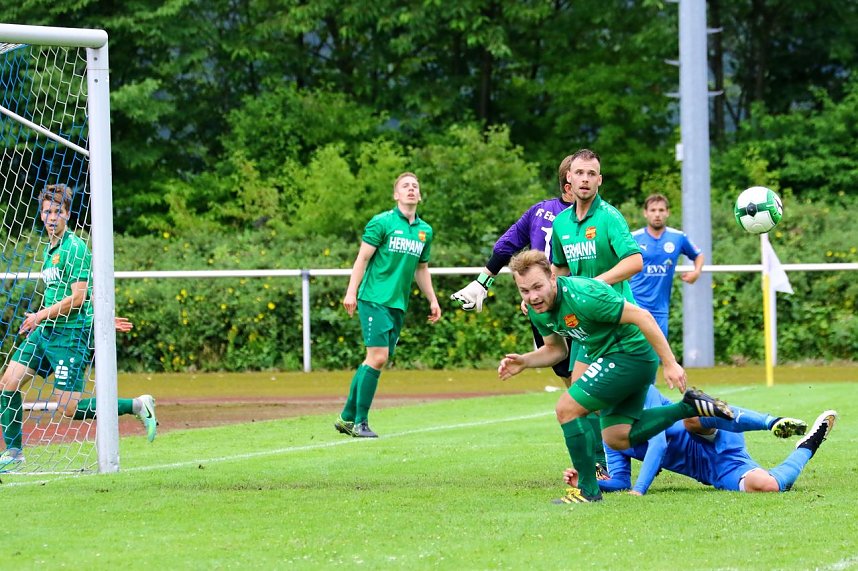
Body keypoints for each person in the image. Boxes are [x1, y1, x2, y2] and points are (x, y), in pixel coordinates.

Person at [498, 249, 734, 504]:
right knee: (617, 437)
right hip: (614, 357)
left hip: (630, 354)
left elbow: (642, 316)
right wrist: (525, 361)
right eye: (524, 290)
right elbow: (557, 350)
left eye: (537, 287)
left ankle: (588, 491)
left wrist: (670, 363)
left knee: (567, 408)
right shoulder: (537, 309)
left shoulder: (584, 296)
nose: (532, 296)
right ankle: (687, 407)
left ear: (552, 278)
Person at [0, 184, 157, 472]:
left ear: (68, 214)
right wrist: (99, 316)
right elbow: (84, 294)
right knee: (7, 383)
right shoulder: (50, 248)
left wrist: (39, 315)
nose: (51, 217)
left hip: (69, 336)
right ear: (41, 214)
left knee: (69, 409)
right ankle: (14, 453)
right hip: (45, 332)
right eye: (47, 211)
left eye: (57, 212)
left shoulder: (75, 248)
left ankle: (138, 405)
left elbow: (78, 298)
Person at [563, 385, 836, 495]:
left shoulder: (642, 392)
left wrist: (641, 490)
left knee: (692, 416)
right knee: (767, 486)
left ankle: (771, 421)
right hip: (711, 469)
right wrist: (588, 481)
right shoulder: (610, 438)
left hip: (713, 433)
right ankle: (808, 445)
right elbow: (620, 481)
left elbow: (658, 443)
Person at [451, 155, 577, 387]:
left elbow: (503, 247)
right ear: (569, 183)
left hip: (544, 301)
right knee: (576, 371)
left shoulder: (540, 210)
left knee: (571, 373)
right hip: (571, 299)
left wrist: (482, 281)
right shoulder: (588, 216)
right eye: (582, 174)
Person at [335, 172, 441, 438]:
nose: (411, 189)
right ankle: (360, 423)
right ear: (396, 194)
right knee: (378, 357)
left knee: (373, 359)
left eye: (415, 186)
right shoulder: (381, 222)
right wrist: (351, 292)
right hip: (374, 298)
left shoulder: (424, 231)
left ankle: (346, 418)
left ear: (420, 195)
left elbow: (421, 269)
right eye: (405, 186)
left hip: (397, 304)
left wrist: (432, 299)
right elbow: (362, 259)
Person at [629, 194, 704, 338]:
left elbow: (698, 255)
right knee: (634, 348)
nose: (657, 214)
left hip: (660, 310)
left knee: (658, 350)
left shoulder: (678, 237)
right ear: (645, 213)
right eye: (653, 210)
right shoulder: (634, 238)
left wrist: (696, 272)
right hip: (635, 304)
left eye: (661, 210)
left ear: (667, 212)